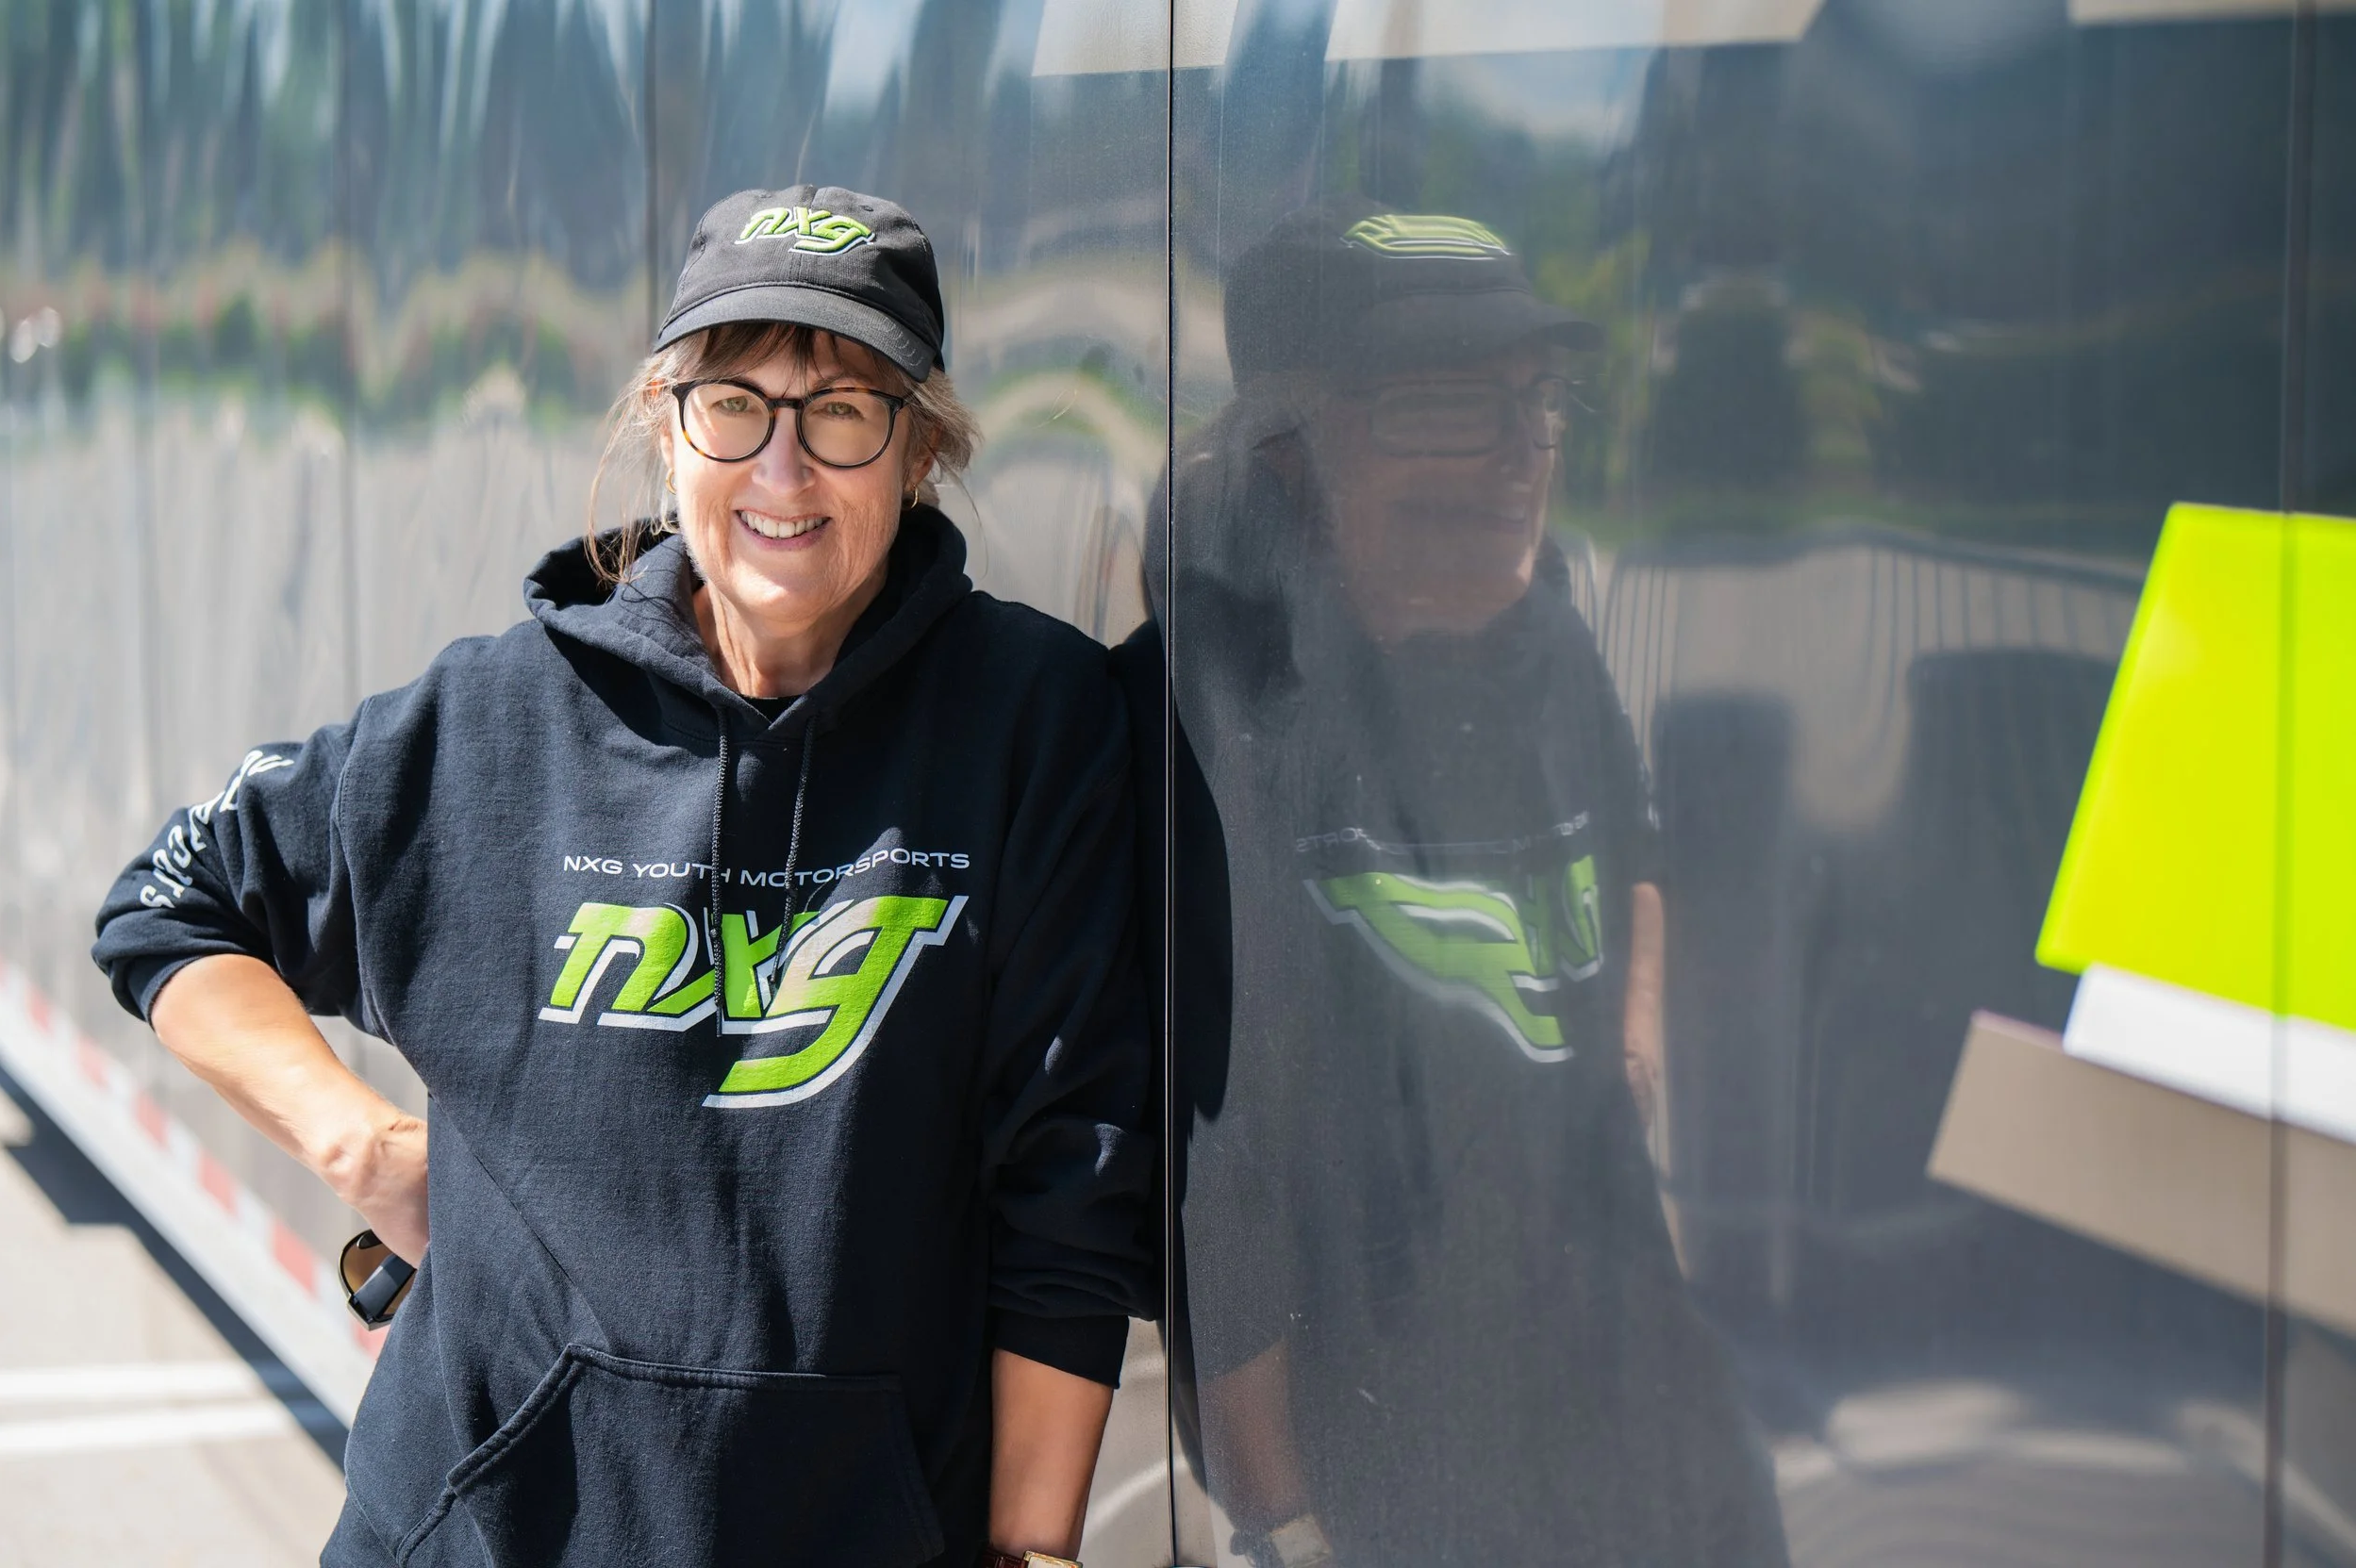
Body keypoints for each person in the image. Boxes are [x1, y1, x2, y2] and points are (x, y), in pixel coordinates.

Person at [92, 185, 1153, 1568]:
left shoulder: (1031, 720)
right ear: (667, 423)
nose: (783, 470)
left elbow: (1069, 1181)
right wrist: (370, 1149)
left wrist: (1033, 1545)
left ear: (920, 450)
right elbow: (169, 904)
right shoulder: (494, 723)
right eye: (733, 403)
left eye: (842, 409)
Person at [1116, 201, 1787, 1566]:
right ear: (1297, 450)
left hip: (1631, 1384)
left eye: (1535, 407)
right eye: (1444, 409)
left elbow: (1637, 850)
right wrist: (1288, 1521)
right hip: (1401, 1447)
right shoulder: (1211, 714)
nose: (1517, 458)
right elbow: (1216, 1184)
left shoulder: (1546, 629)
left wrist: (1631, 1055)